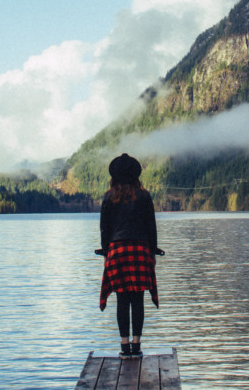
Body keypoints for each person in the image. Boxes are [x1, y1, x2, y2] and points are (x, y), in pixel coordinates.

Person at [99, 153, 159, 358]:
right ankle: (137, 345)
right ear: (136, 175)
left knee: (122, 299)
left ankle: (124, 347)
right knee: (138, 299)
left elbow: (104, 230)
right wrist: (153, 252)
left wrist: (106, 253)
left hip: (117, 252)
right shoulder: (144, 196)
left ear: (114, 176)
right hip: (140, 250)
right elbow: (151, 227)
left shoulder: (108, 197)